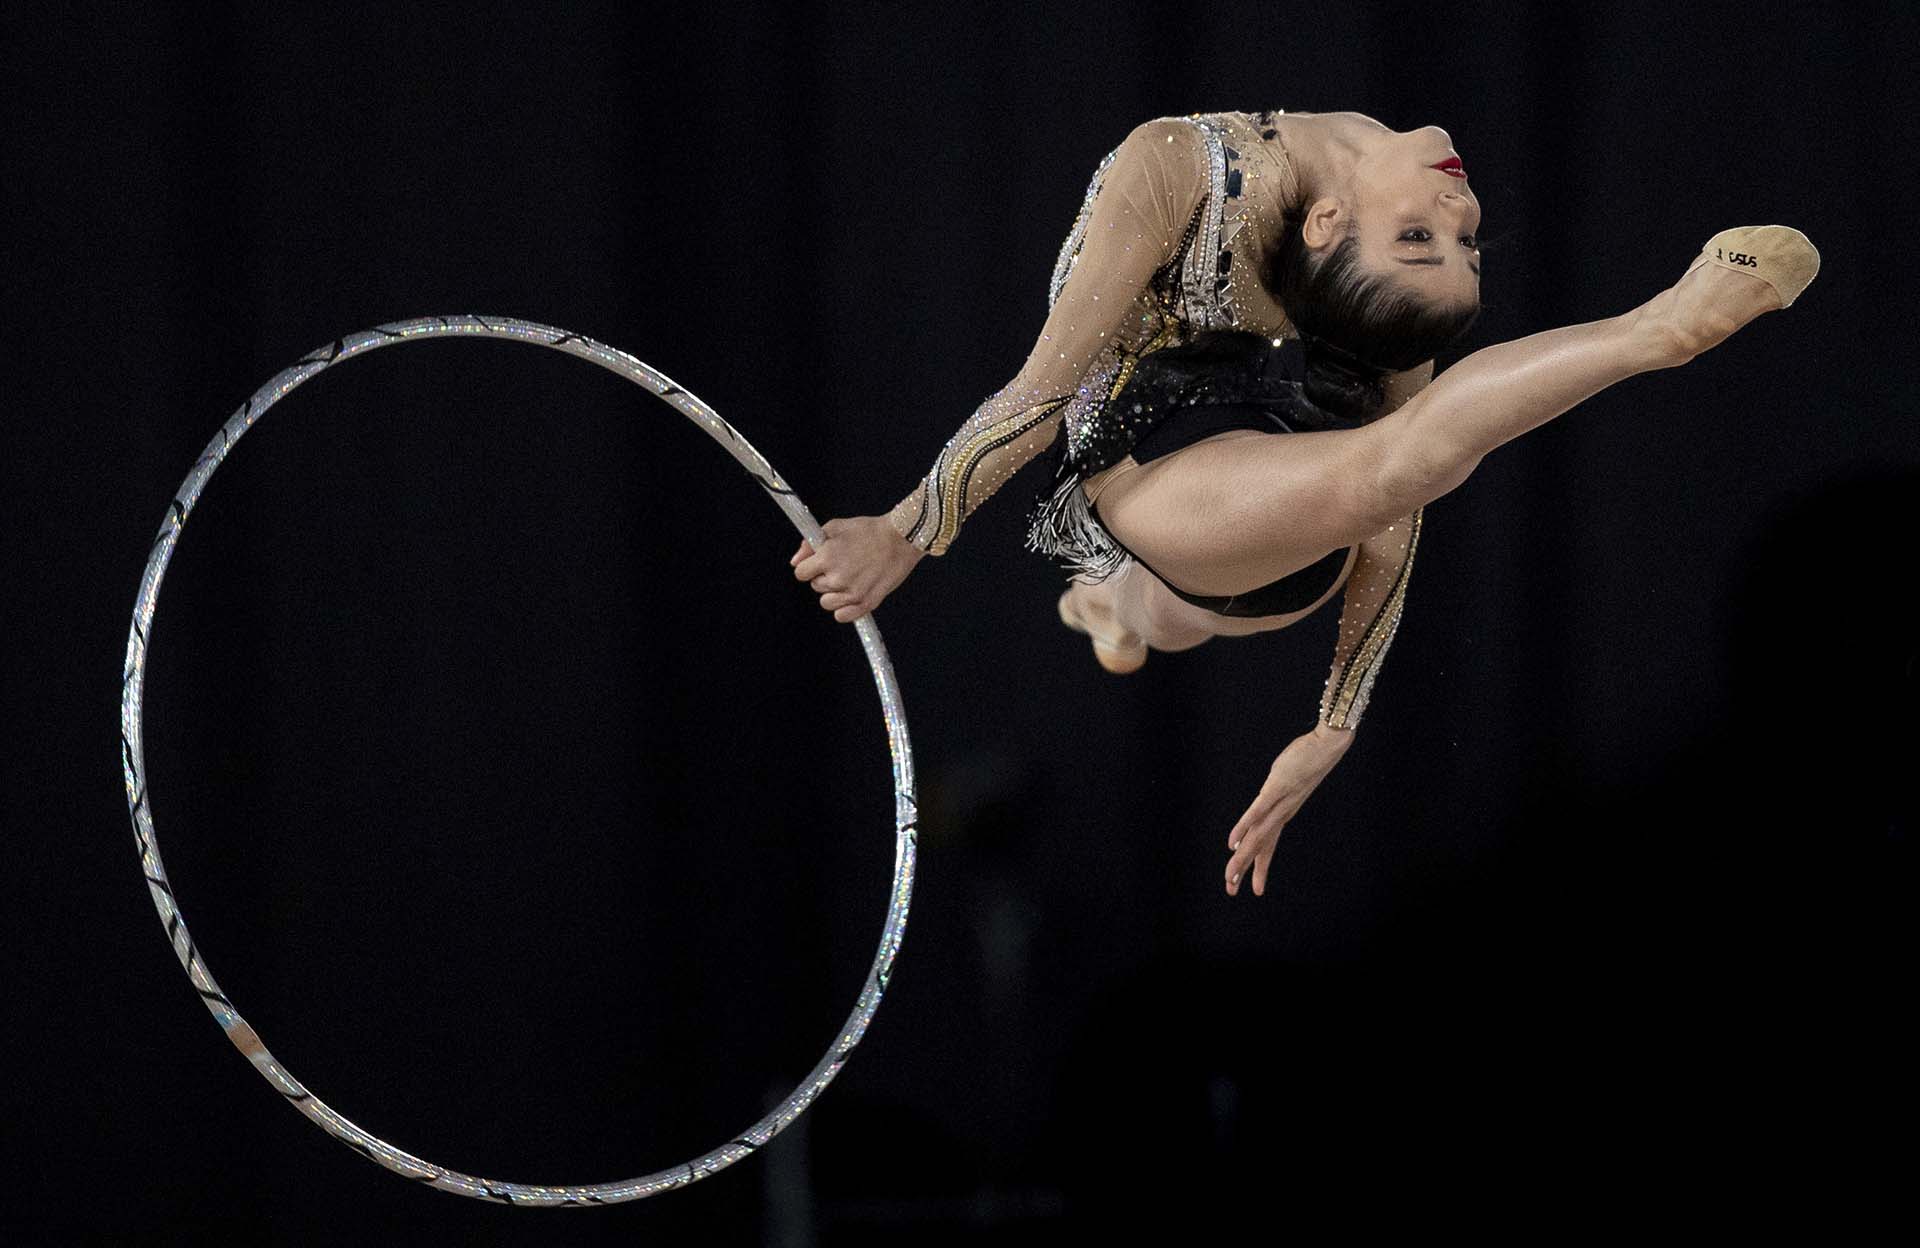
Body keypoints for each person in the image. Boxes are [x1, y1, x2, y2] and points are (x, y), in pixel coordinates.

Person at [787, 108, 1818, 900]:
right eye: (1442, 238)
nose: (1459, 214)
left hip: (1280, 517)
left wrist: (1335, 721)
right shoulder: (1178, 170)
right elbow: (1042, 392)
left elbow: (1398, 500)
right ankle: (1110, 606)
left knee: (1358, 487)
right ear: (1322, 223)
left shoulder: (1369, 258)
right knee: (1176, 591)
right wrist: (907, 528)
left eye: (1444, 244)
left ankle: (1657, 331)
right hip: (1154, 461)